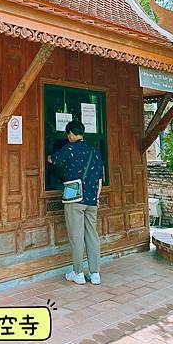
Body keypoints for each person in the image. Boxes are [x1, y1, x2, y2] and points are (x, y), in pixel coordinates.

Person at [47, 120, 103, 285]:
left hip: (74, 199)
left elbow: (53, 160)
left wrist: (48, 155)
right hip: (92, 200)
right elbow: (100, 178)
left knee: (76, 236)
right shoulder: (94, 151)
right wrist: (96, 197)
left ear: (71, 134)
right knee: (92, 236)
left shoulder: (70, 148)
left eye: (68, 134)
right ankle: (95, 274)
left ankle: (78, 273)